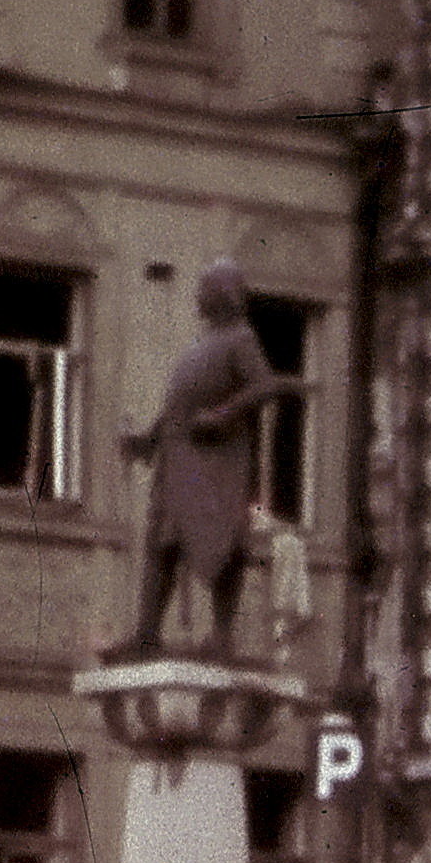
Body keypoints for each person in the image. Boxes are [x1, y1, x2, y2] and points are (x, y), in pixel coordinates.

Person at [119, 263, 308, 653]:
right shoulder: (200, 343)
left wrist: (223, 414)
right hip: (178, 459)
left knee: (225, 540)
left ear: (223, 294)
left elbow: (266, 386)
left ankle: (222, 635)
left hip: (217, 460)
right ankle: (147, 632)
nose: (197, 295)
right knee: (163, 541)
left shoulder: (240, 339)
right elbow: (177, 405)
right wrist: (147, 440)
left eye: (204, 288)